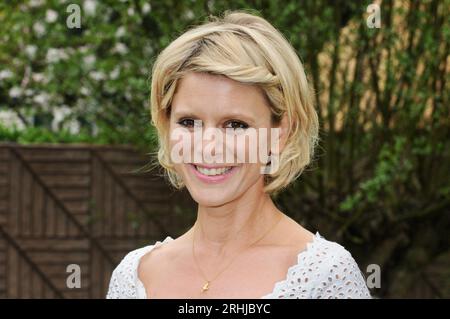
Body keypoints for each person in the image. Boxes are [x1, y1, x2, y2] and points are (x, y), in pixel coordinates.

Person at [106, 10, 371, 299]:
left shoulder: (326, 276)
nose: (208, 146)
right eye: (188, 122)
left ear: (280, 131)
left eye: (235, 124)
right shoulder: (133, 277)